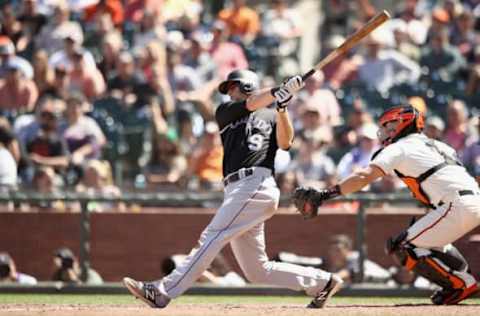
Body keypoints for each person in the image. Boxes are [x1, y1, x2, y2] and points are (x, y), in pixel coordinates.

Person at [123, 70, 343, 309]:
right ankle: (323, 283)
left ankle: (163, 291)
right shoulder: (225, 112)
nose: (229, 92)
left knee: (212, 236)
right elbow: (252, 102)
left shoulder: (271, 114)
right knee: (257, 270)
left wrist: (282, 108)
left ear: (247, 85)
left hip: (256, 184)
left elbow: (285, 142)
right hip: (238, 189)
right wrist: (277, 90)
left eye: (233, 87)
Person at [293, 104, 480, 305]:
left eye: (389, 126)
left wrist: (325, 195)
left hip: (456, 204)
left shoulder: (400, 147)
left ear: (403, 124)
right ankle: (460, 281)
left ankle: (461, 284)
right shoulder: (440, 145)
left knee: (402, 246)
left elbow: (365, 176)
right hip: (470, 200)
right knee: (431, 243)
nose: (385, 132)